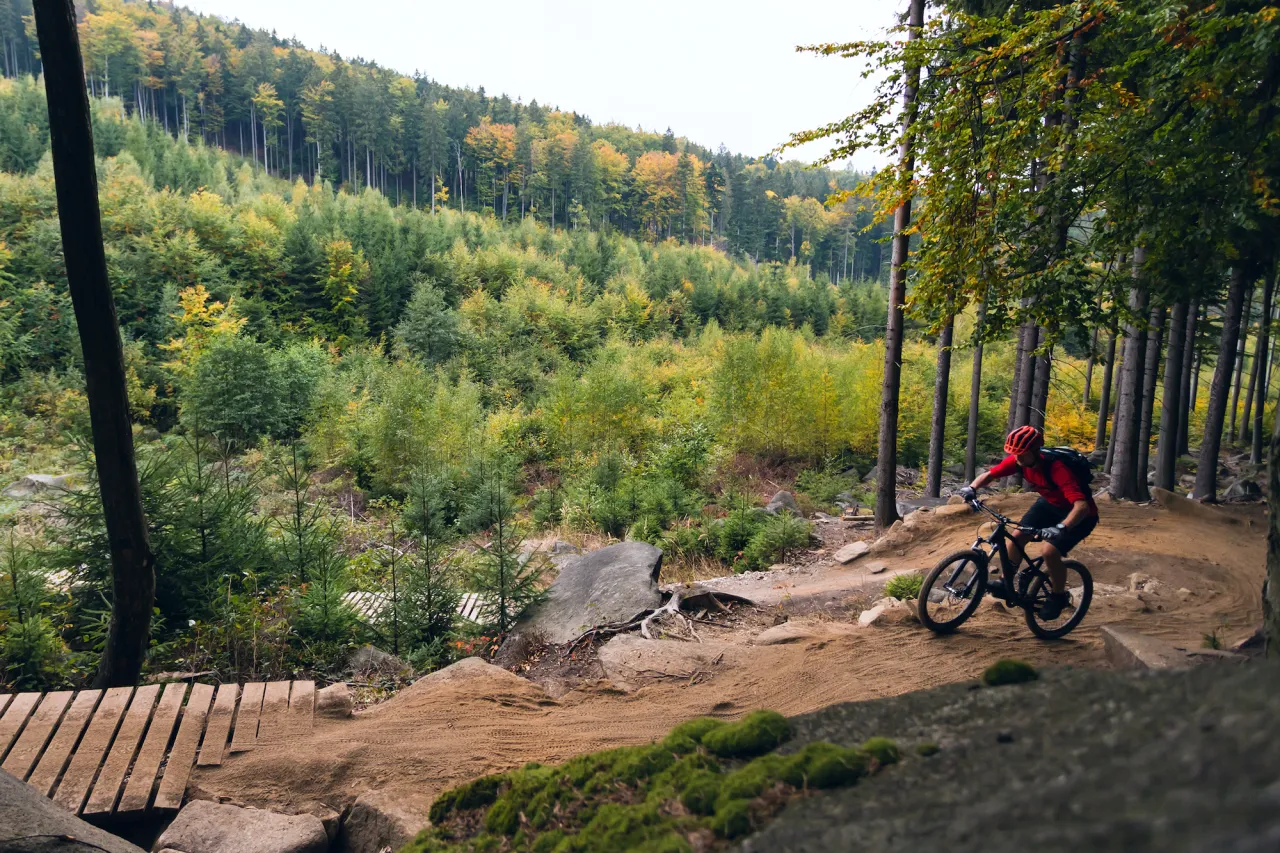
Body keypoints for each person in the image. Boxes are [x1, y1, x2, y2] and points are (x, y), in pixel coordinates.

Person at [956, 425, 1098, 620]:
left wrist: (1061, 528)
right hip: (1049, 505)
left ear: (1035, 451)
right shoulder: (1018, 461)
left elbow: (1081, 506)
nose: (1017, 459)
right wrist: (971, 488)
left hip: (1080, 516)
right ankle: (1007, 583)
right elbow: (990, 475)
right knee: (1017, 536)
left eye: (1021, 454)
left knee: (1049, 552)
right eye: (1014, 454)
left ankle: (1058, 596)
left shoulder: (1058, 469)